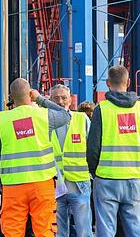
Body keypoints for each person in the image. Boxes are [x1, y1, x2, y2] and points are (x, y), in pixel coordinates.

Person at [0, 78, 70, 237]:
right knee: (44, 230)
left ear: (11, 97)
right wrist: (40, 99)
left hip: (13, 185)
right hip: (42, 183)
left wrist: (0, 182)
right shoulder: (44, 116)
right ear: (30, 93)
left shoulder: (2, 120)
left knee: (12, 230)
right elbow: (65, 115)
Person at [87, 66, 140, 237]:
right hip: (134, 178)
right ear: (129, 82)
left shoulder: (102, 110)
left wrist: (95, 172)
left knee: (106, 230)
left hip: (106, 178)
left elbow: (92, 148)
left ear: (107, 83)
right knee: (135, 231)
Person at [49, 85, 92, 237]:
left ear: (70, 100)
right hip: (54, 184)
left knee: (83, 231)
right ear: (49, 100)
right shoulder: (45, 122)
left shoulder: (82, 119)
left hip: (79, 184)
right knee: (58, 232)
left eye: (64, 98)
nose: (60, 101)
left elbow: (92, 147)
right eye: (56, 98)